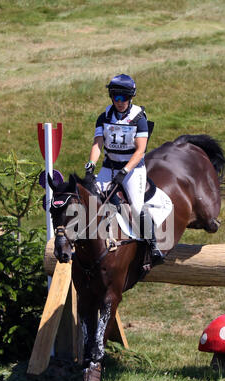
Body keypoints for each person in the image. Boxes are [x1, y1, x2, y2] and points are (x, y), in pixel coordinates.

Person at [84, 73, 163, 264]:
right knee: (89, 198)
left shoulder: (139, 119)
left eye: (124, 98)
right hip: (109, 166)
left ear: (131, 97)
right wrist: (91, 165)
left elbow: (140, 151)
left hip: (133, 169)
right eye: (116, 97)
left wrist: (125, 171)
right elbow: (98, 143)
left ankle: (153, 246)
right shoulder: (104, 117)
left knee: (135, 206)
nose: (120, 102)